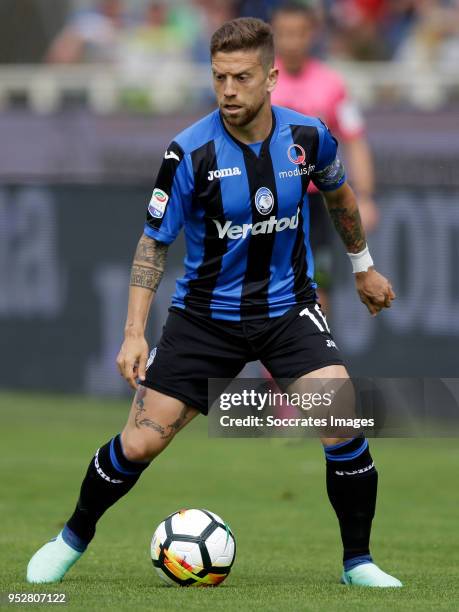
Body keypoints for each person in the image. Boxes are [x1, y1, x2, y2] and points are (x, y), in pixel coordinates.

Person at [27, 17, 401, 588]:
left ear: (271, 77)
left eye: (242, 77)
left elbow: (340, 195)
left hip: (287, 312)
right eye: (220, 76)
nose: (228, 90)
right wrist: (134, 331)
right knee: (141, 440)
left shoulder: (308, 137)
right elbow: (154, 243)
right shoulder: (189, 152)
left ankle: (359, 563)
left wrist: (363, 266)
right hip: (204, 320)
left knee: (342, 424)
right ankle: (70, 538)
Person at [271, 2, 379, 310]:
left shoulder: (332, 85)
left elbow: (355, 140)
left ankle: (313, 356)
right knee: (268, 291)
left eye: (298, 33)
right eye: (284, 33)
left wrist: (366, 196)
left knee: (318, 292)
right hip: (270, 200)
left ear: (312, 34)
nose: (292, 41)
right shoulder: (260, 82)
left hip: (316, 205)